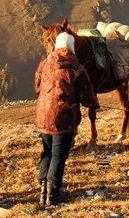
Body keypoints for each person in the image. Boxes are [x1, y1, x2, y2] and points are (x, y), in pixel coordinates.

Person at [34, 31, 99, 208]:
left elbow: (37, 87)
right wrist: (93, 103)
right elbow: (87, 95)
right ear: (71, 46)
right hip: (64, 117)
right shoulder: (76, 67)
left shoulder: (44, 63)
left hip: (43, 116)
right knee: (58, 155)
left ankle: (42, 188)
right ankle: (53, 194)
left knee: (47, 151)